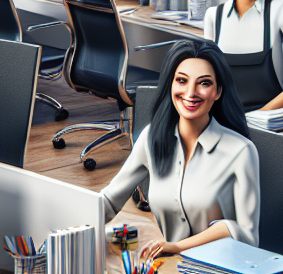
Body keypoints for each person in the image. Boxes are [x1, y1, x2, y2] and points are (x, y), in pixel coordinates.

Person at [102, 40, 260, 257]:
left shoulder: (241, 151)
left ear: (218, 91)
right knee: (108, 238)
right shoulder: (151, 137)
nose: (191, 92)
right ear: (171, 85)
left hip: (218, 271)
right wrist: (69, 226)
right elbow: (109, 201)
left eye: (204, 83)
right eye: (182, 81)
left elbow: (248, 237)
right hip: (167, 265)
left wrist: (177, 247)